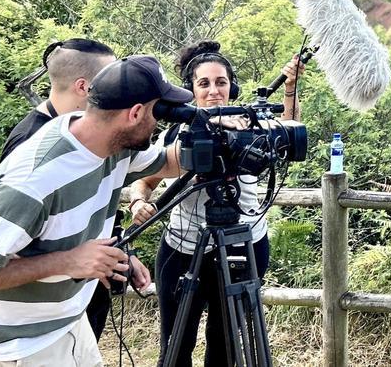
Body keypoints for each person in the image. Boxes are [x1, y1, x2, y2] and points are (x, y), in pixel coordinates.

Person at [0, 55, 193, 366]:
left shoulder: (109, 145)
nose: (160, 122)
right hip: (16, 345)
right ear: (135, 113)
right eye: (159, 112)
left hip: (66, 321)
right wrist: (69, 261)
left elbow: (167, 162)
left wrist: (223, 133)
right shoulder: (34, 179)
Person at [129, 40, 301, 367]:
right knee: (175, 344)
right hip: (183, 250)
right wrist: (138, 200)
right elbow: (146, 179)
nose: (213, 91)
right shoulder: (176, 135)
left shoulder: (252, 127)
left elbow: (288, 134)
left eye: (221, 82)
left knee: (224, 345)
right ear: (191, 89)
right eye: (204, 83)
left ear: (231, 87)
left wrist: (290, 88)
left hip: (242, 245)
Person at [0, 37, 151, 342]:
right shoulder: (31, 144)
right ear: (84, 87)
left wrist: (118, 253)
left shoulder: (90, 134)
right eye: (109, 79)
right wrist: (73, 261)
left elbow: (86, 208)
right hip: (38, 322)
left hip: (82, 298)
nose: (118, 88)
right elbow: (7, 248)